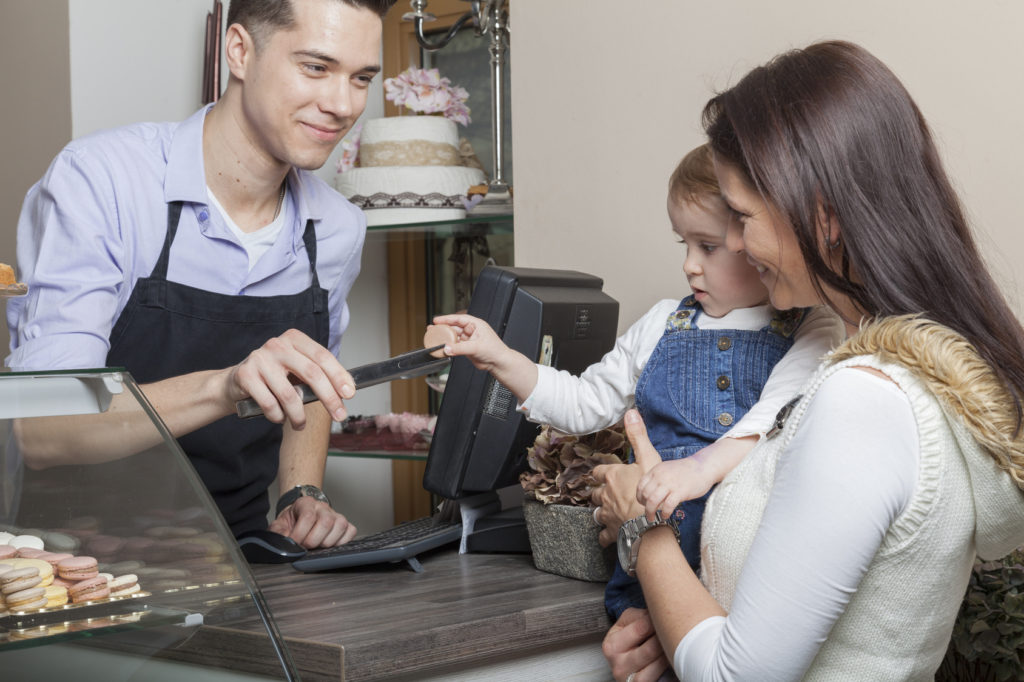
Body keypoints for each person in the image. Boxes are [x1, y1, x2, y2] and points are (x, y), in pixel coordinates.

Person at [592, 40, 1024, 682]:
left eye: (740, 217)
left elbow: (738, 677)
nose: (734, 245)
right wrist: (679, 621)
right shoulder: (909, 376)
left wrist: (645, 532)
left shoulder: (865, 400)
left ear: (821, 216)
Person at [5, 0, 397, 548]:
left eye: (361, 78)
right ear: (239, 50)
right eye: (315, 67)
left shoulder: (336, 227)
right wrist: (225, 385)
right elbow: (43, 431)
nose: (341, 103)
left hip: (232, 557)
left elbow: (306, 391)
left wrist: (301, 494)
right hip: (76, 567)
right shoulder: (103, 182)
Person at [433, 144, 842, 620]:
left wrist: (696, 471)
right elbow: (585, 401)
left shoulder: (813, 328)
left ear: (754, 238)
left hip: (739, 571)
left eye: (707, 246)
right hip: (645, 560)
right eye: (683, 244)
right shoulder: (662, 323)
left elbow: (772, 418)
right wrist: (500, 357)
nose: (690, 264)